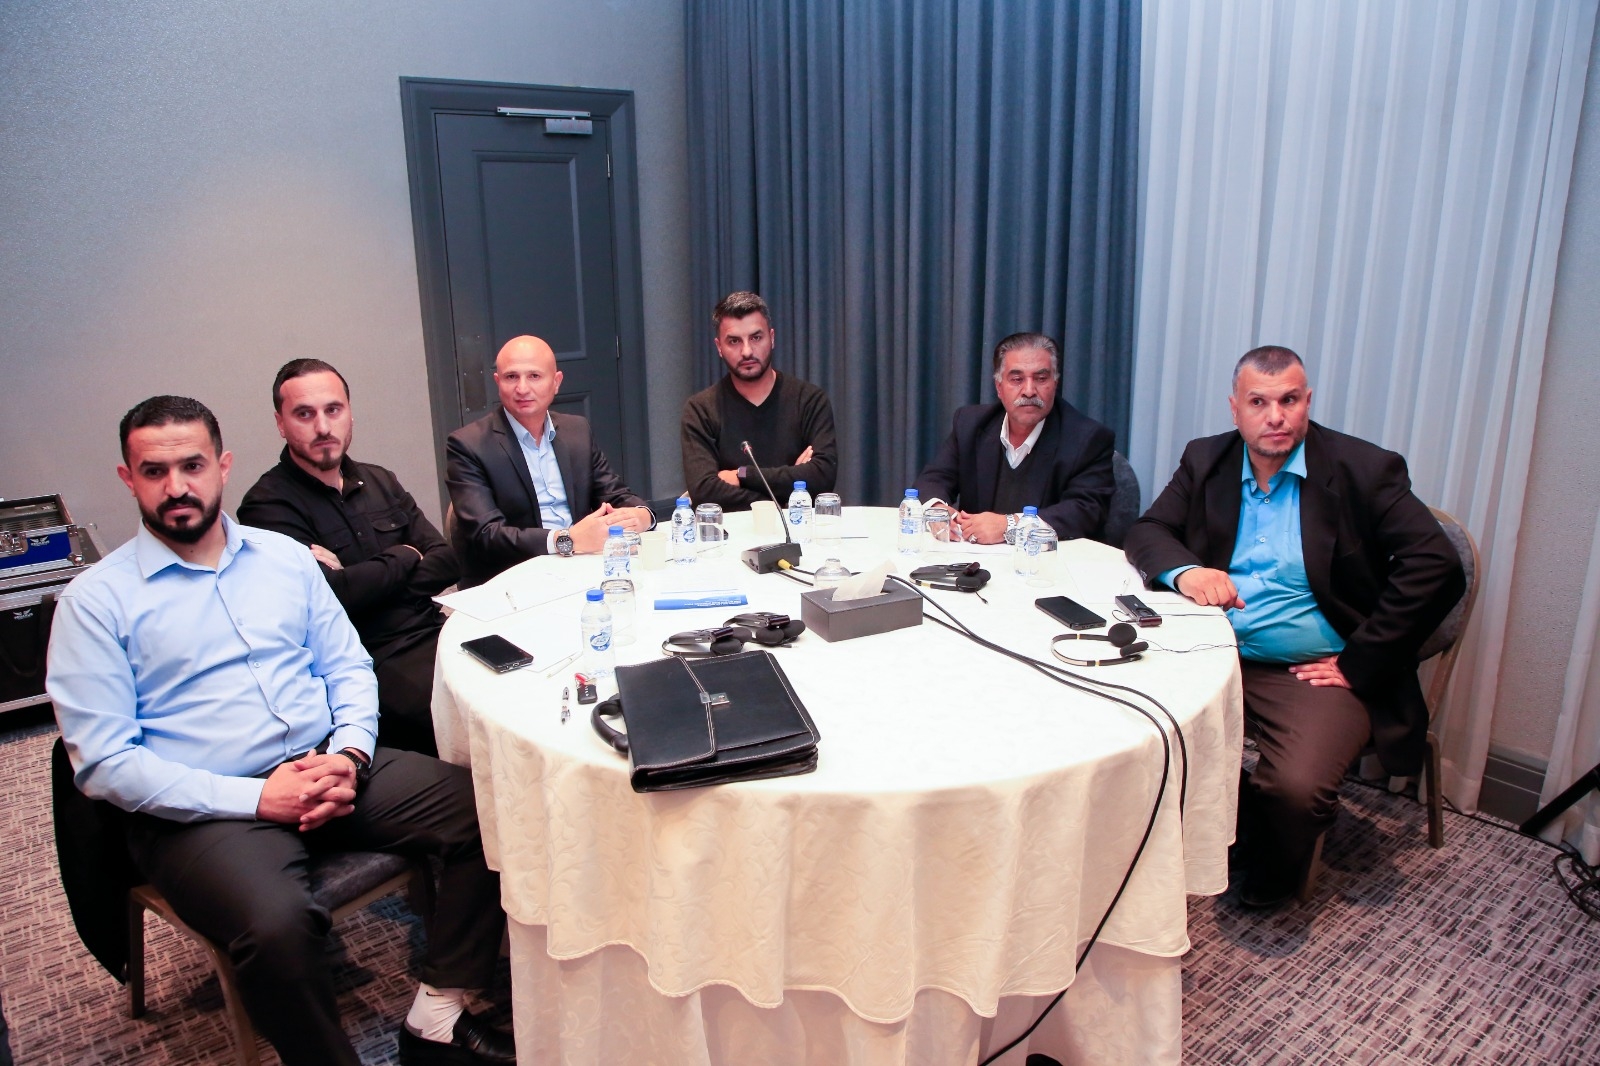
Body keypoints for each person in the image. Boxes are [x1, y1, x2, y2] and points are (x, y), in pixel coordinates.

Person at [46, 396, 513, 1066]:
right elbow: (104, 764)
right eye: (154, 471)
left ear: (222, 466)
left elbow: (347, 666)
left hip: (329, 763)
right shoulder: (95, 603)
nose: (177, 487)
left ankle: (438, 1014)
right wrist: (259, 797)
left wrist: (351, 752)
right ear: (128, 478)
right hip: (208, 807)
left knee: (491, 809)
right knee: (276, 928)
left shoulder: (284, 559)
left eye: (192, 466)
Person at [1124, 346, 1465, 909]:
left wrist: (1362, 660)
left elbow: (1438, 565)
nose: (1275, 417)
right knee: (1127, 722)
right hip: (1213, 650)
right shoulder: (1207, 458)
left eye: (1289, 401)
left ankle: (1270, 866)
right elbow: (1149, 529)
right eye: (1259, 402)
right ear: (1235, 408)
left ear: (1307, 402)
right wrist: (1187, 572)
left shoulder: (1363, 469)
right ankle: (1231, 826)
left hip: (1310, 670)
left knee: (1296, 789)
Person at [239, 359, 456, 756]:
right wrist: (406, 553)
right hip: (369, 657)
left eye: (333, 410)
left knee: (524, 678)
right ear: (281, 423)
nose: (323, 427)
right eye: (305, 414)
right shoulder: (266, 505)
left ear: (350, 413)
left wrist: (360, 579)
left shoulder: (380, 480)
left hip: (435, 632)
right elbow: (331, 598)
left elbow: (445, 559)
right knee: (465, 715)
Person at [447, 334, 652, 587]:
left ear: (556, 382)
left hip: (582, 566)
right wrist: (567, 539)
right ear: (498, 383)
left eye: (534, 376)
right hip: (513, 579)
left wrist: (643, 516)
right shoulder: (468, 445)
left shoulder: (577, 430)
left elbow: (615, 495)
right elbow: (486, 535)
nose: (522, 388)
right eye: (511, 377)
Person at [914, 331, 1116, 543]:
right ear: (999, 387)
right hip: (974, 557)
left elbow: (1086, 511)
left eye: (1041, 378)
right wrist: (938, 511)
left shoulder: (1087, 438)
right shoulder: (970, 424)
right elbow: (932, 479)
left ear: (1055, 383)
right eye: (1017, 379)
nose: (1029, 391)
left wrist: (1011, 525)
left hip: (1044, 560)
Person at [680, 291, 838, 510]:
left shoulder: (809, 400)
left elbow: (822, 477)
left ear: (771, 338)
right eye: (734, 341)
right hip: (731, 531)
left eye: (756, 338)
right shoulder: (701, 410)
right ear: (719, 347)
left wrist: (742, 475)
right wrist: (784, 499)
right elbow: (705, 492)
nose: (747, 351)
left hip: (799, 527)